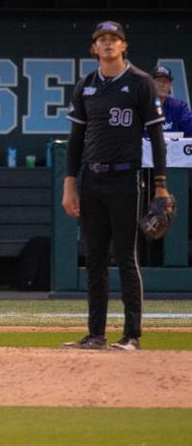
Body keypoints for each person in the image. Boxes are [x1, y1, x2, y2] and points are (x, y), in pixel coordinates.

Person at [61, 20, 170, 351]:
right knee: (94, 258)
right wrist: (70, 184)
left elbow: (156, 137)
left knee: (125, 256)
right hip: (92, 178)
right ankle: (95, 334)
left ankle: (132, 335)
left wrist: (161, 186)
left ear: (124, 45)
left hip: (125, 178)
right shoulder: (86, 85)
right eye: (102, 39)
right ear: (94, 48)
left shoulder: (139, 82)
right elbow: (75, 139)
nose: (108, 43)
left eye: (114, 38)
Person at [150, 66, 192, 137]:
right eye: (158, 81)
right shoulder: (141, 107)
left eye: (165, 81)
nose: (161, 84)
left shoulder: (179, 108)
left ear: (170, 85)